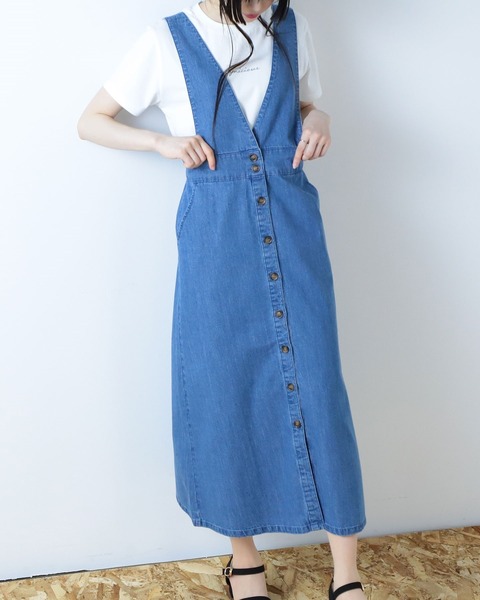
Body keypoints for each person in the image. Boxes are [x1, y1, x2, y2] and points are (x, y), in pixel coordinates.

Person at [78, 1, 368, 598]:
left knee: (319, 385)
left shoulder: (290, 26)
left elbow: (305, 105)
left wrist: (320, 118)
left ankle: (347, 575)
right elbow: (91, 121)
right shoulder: (166, 41)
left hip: (292, 221)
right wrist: (161, 143)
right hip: (215, 229)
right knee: (224, 387)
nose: (264, 5)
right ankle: (245, 561)